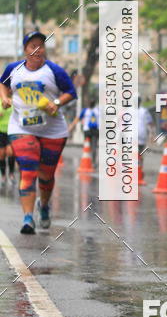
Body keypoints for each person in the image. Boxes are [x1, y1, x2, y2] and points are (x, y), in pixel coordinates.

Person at [0, 31, 76, 233]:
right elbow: (3, 83)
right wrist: (5, 98)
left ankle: (44, 206)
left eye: (40, 46)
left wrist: (57, 102)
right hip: (21, 127)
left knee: (46, 175)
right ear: (25, 50)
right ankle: (27, 218)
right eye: (32, 46)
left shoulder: (55, 71)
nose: (37, 50)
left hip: (53, 130)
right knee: (28, 170)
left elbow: (71, 92)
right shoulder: (13, 68)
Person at [69, 98, 100, 164]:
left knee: (90, 145)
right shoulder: (92, 110)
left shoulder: (92, 110)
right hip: (91, 130)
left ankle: (91, 160)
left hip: (92, 130)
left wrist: (71, 126)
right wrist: (72, 126)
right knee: (90, 146)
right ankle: (90, 160)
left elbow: (78, 118)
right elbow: (78, 118)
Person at [0, 101, 16, 185]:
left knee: (10, 152)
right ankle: (3, 175)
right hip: (1, 132)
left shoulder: (14, 100)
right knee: (1, 155)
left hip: (11, 131)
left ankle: (11, 174)